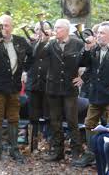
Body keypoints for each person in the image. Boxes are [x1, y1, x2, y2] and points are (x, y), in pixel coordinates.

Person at [73, 21, 109, 167]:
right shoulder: (94, 49)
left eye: (101, 33)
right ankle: (92, 154)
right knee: (89, 124)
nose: (98, 36)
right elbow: (83, 64)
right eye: (98, 33)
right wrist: (86, 49)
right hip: (96, 95)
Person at [0, 14, 33, 163]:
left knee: (14, 118)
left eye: (7, 25)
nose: (4, 28)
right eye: (1, 26)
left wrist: (24, 70)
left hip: (14, 88)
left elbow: (32, 55)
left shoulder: (20, 41)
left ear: (12, 27)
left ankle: (14, 149)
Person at [34, 18, 84, 162]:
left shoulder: (77, 43)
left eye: (59, 28)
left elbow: (89, 61)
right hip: (53, 88)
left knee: (72, 121)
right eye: (55, 27)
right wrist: (43, 40)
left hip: (70, 89)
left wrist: (83, 77)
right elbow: (38, 55)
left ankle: (76, 152)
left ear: (67, 29)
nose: (55, 30)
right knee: (54, 121)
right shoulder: (51, 44)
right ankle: (58, 151)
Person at [25, 22, 51, 151]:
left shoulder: (53, 44)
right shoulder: (30, 44)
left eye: (43, 29)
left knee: (49, 116)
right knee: (33, 116)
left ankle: (48, 143)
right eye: (37, 30)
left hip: (48, 85)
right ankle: (33, 144)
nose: (40, 32)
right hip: (33, 85)